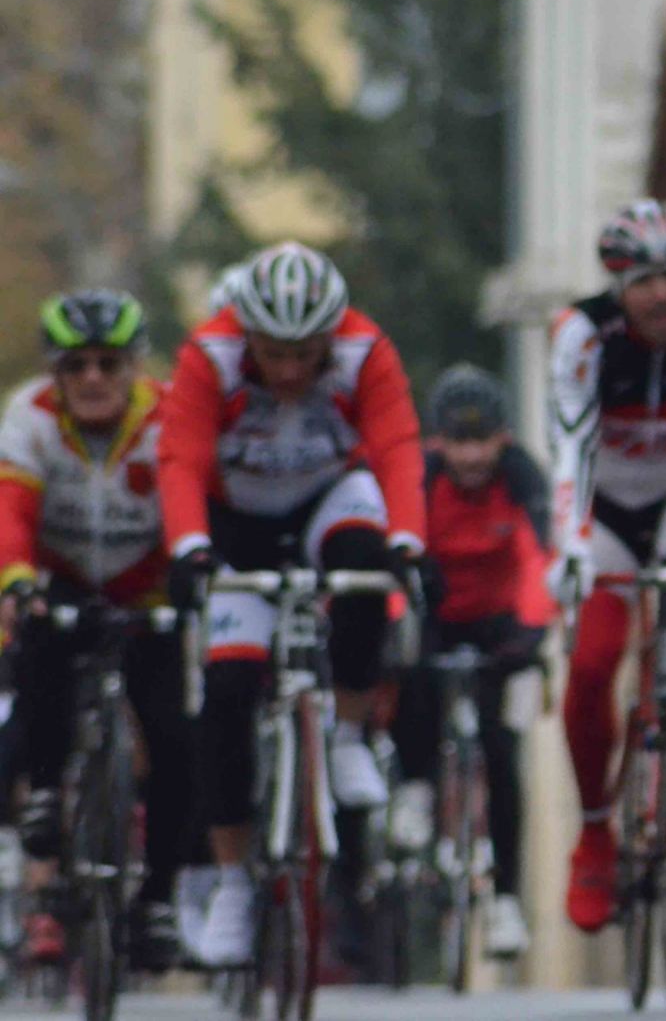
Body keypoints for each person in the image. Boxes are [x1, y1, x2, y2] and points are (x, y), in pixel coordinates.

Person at [157, 241, 427, 965]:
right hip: (237, 522)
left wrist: (409, 543)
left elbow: (397, 446)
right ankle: (232, 883)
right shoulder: (209, 355)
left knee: (368, 564)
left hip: (325, 498)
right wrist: (188, 549)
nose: (288, 370)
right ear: (245, 333)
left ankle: (347, 731)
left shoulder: (365, 350)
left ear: (330, 338)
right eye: (273, 352)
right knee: (228, 690)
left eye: (305, 354)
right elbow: (180, 457)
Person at [546, 198, 666, 933]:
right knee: (593, 660)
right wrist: (570, 545)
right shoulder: (582, 334)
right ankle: (595, 836)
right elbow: (570, 447)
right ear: (617, 288)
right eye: (643, 281)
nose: (663, 295)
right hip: (607, 506)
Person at [0, 291, 194, 970]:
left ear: (134, 367)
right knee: (38, 661)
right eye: (75, 364)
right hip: (62, 580)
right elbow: (10, 510)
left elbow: (189, 502)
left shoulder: (168, 417)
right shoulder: (28, 417)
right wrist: (15, 579)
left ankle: (158, 900)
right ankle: (45, 793)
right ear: (53, 370)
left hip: (146, 588)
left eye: (108, 364)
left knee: (174, 737)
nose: (91, 378)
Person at [387, 363, 551, 959]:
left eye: (483, 440)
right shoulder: (422, 478)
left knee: (501, 750)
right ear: (439, 440)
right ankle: (414, 788)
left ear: (503, 437)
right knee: (410, 673)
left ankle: (505, 899)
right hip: (435, 611)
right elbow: (396, 560)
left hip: (500, 623)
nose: (473, 455)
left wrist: (532, 633)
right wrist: (400, 617)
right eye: (460, 441)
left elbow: (539, 558)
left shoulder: (521, 476)